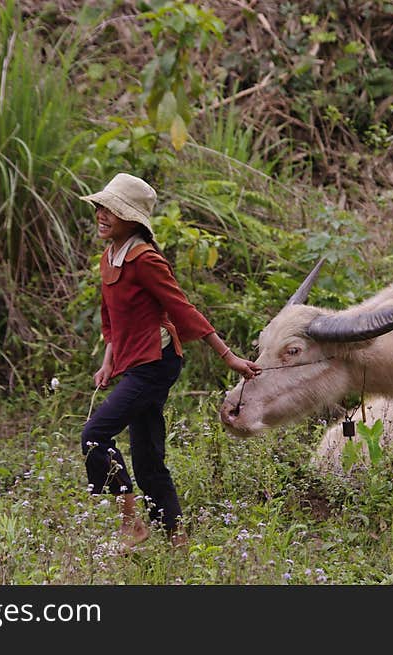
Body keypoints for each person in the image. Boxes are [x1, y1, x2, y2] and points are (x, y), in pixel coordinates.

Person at [80, 173, 261, 549]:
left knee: (95, 435)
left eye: (110, 209)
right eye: (100, 207)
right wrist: (108, 361)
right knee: (147, 458)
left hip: (156, 362)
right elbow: (110, 317)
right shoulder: (108, 258)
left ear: (131, 218)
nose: (101, 214)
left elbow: (182, 307)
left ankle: (131, 525)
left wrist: (228, 357)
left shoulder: (145, 259)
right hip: (133, 364)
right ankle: (177, 540)